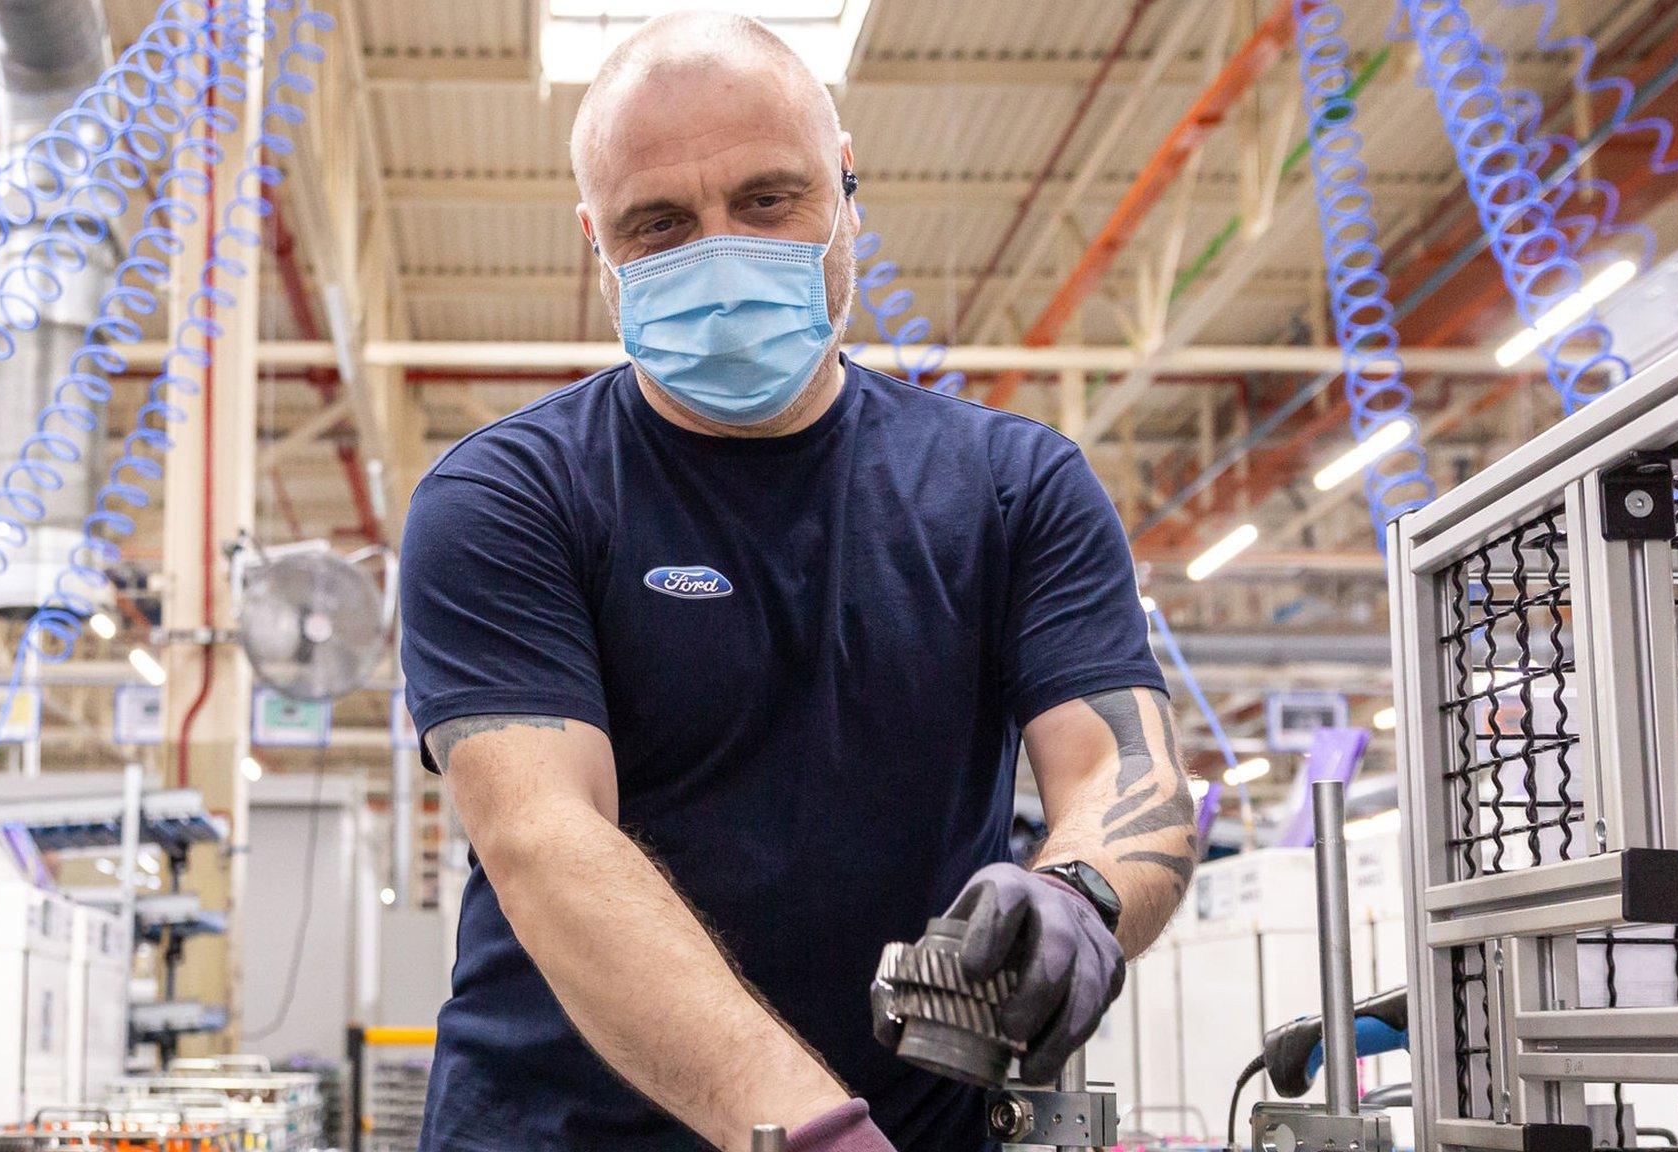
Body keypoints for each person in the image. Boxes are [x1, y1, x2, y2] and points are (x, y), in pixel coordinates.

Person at [398, 11, 1196, 1151]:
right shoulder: (509, 498)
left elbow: (1129, 771)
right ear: (597, 244)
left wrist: (1079, 893)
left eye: (767, 200)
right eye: (659, 225)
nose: (719, 254)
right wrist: (806, 1131)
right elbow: (545, 837)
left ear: (846, 185)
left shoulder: (1011, 487)